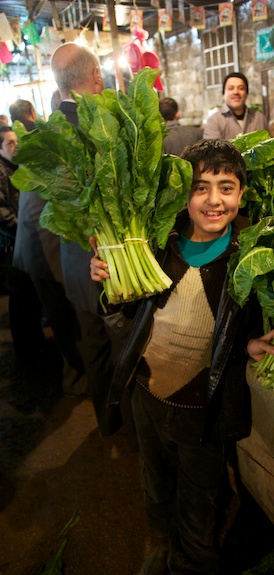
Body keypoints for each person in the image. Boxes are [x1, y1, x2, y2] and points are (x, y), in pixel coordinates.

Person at [90, 139, 274, 575]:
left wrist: (249, 344)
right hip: (147, 394)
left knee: (200, 499)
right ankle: (158, 542)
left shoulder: (249, 253)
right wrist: (105, 282)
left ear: (241, 195)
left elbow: (244, 320)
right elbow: (123, 314)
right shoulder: (157, 242)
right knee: (155, 485)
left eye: (226, 187)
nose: (214, 200)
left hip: (202, 411)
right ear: (184, 196)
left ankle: (192, 562)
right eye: (201, 187)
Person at [50, 42, 131, 428]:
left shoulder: (49, 131)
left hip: (74, 267)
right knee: (125, 352)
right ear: (97, 75)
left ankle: (106, 422)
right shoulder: (101, 123)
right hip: (109, 265)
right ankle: (133, 431)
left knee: (94, 349)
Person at [11, 99, 87, 395]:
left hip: (47, 248)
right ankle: (77, 373)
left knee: (64, 316)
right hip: (42, 252)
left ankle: (77, 368)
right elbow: (37, 211)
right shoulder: (48, 150)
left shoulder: (49, 147)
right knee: (62, 317)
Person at [0, 125, 45, 357]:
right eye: (9, 143)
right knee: (19, 297)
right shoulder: (1, 170)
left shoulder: (11, 167)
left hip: (18, 239)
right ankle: (27, 349)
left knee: (25, 296)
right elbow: (2, 211)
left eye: (16, 142)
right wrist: (21, 227)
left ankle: (32, 343)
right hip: (9, 243)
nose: (15, 147)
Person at [203, 72, 268, 140]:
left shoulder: (259, 118)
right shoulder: (214, 121)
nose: (236, 92)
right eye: (231, 88)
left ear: (246, 94)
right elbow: (212, 150)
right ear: (223, 94)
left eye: (241, 88)